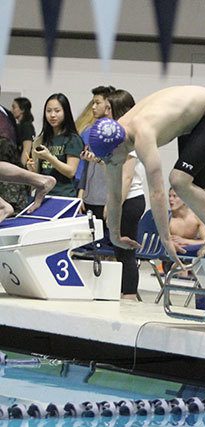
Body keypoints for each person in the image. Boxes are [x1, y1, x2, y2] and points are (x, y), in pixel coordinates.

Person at [87, 86, 205, 264]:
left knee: (178, 180)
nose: (108, 163)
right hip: (192, 121)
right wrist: (116, 236)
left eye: (109, 158)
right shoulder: (114, 138)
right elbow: (114, 194)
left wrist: (166, 239)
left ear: (119, 145)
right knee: (201, 195)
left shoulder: (143, 134)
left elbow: (157, 193)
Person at [84, 89, 146, 300]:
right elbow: (115, 170)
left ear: (120, 110)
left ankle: (129, 295)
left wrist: (113, 205)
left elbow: (126, 178)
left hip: (129, 199)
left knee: (126, 252)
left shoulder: (128, 136)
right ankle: (123, 292)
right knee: (120, 251)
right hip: (124, 198)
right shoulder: (118, 135)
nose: (105, 111)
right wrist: (98, 160)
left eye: (109, 108)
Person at [0, 86, 55, 218]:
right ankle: (40, 180)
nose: (13, 109)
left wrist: (23, 164)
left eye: (15, 107)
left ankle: (3, 206)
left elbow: (27, 148)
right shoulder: (9, 117)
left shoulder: (25, 125)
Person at [27, 93, 83, 197]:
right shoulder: (42, 139)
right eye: (48, 111)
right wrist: (32, 169)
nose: (52, 115)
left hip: (63, 195)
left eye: (57, 111)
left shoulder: (72, 139)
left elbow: (71, 172)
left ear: (65, 112)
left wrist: (49, 157)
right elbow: (42, 172)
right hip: (43, 194)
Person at [77, 85, 116, 217]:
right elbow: (86, 166)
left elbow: (117, 171)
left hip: (106, 199)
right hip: (89, 197)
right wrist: (80, 194)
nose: (93, 107)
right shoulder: (92, 130)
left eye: (97, 103)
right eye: (93, 103)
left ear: (108, 104)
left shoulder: (117, 133)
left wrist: (110, 201)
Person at [11, 97, 36, 167]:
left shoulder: (26, 126)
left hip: (25, 165)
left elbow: (26, 149)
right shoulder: (19, 126)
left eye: (14, 107)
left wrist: (21, 167)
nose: (11, 110)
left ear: (22, 110)